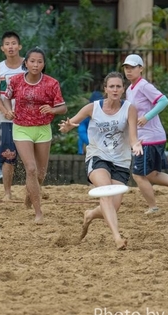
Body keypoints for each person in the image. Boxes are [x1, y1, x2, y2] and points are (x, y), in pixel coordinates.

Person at [59, 72, 142, 250]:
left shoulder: (129, 109)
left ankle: (89, 214)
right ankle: (117, 238)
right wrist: (66, 127)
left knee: (114, 205)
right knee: (105, 192)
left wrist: (136, 145)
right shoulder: (93, 107)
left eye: (118, 86)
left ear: (123, 89)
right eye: (111, 86)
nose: (115, 89)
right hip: (98, 156)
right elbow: (71, 124)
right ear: (105, 89)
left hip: (121, 161)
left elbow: (134, 136)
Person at [122, 54, 168, 214]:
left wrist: (147, 117)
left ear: (141, 68)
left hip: (149, 138)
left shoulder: (143, 86)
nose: (128, 71)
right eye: (126, 68)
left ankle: (153, 207)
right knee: (152, 174)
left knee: (138, 175)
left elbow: (164, 101)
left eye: (132, 67)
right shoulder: (130, 89)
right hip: (147, 138)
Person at [2, 47, 67, 224]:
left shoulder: (51, 83)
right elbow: (6, 97)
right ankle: (38, 213)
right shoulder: (15, 81)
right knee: (30, 169)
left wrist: (52, 109)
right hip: (21, 128)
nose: (35, 64)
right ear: (26, 63)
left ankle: (29, 196)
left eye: (39, 61)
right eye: (32, 61)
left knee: (40, 174)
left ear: (43, 64)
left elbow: (63, 107)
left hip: (43, 128)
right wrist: (8, 110)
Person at [0, 31, 25, 200]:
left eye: (13, 43)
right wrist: (5, 111)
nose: (10, 47)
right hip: (7, 119)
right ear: (2, 48)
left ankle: (33, 190)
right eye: (7, 44)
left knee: (31, 158)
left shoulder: (28, 64)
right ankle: (7, 193)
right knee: (8, 156)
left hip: (28, 119)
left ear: (19, 46)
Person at [77, 90, 104, 155]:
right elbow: (82, 132)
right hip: (88, 145)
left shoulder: (105, 113)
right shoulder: (86, 114)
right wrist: (93, 145)